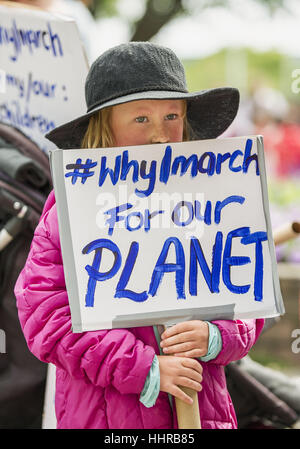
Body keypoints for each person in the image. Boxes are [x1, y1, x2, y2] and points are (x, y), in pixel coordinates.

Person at [14, 42, 264, 429]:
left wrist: (216, 336)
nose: (161, 134)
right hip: (106, 418)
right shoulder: (70, 207)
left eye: (171, 116)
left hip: (203, 414)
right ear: (105, 128)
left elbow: (247, 298)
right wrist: (146, 369)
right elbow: (45, 315)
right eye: (141, 119)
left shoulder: (210, 200)